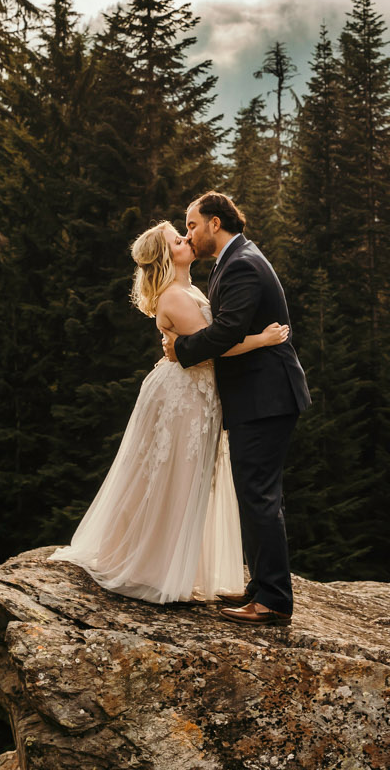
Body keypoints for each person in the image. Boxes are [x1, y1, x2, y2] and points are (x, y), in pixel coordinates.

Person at [52, 221, 290, 604]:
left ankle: (175, 566)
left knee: (184, 476)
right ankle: (155, 568)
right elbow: (215, 345)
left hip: (197, 392)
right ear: (166, 256)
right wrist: (262, 339)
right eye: (178, 240)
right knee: (174, 476)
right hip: (183, 397)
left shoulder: (190, 289)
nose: (187, 240)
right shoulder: (176, 296)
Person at [164, 191, 310, 627]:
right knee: (257, 494)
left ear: (214, 223)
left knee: (259, 496)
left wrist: (180, 348)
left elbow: (227, 330)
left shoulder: (242, 263)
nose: (188, 232)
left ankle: (273, 601)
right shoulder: (237, 258)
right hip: (261, 397)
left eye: (191, 224)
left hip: (266, 398)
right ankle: (263, 587)